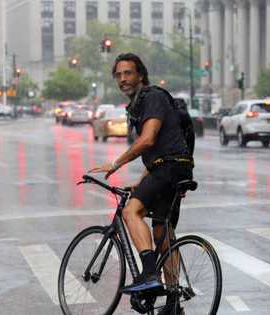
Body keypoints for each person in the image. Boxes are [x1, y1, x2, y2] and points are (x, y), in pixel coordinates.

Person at [88, 53, 193, 313]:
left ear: (140, 76)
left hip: (169, 169)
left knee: (130, 211)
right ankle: (173, 302)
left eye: (128, 73)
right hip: (175, 168)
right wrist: (141, 180)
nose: (123, 79)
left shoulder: (152, 97)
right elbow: (160, 150)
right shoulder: (138, 104)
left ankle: (148, 274)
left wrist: (115, 163)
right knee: (162, 233)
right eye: (118, 75)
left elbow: (148, 140)